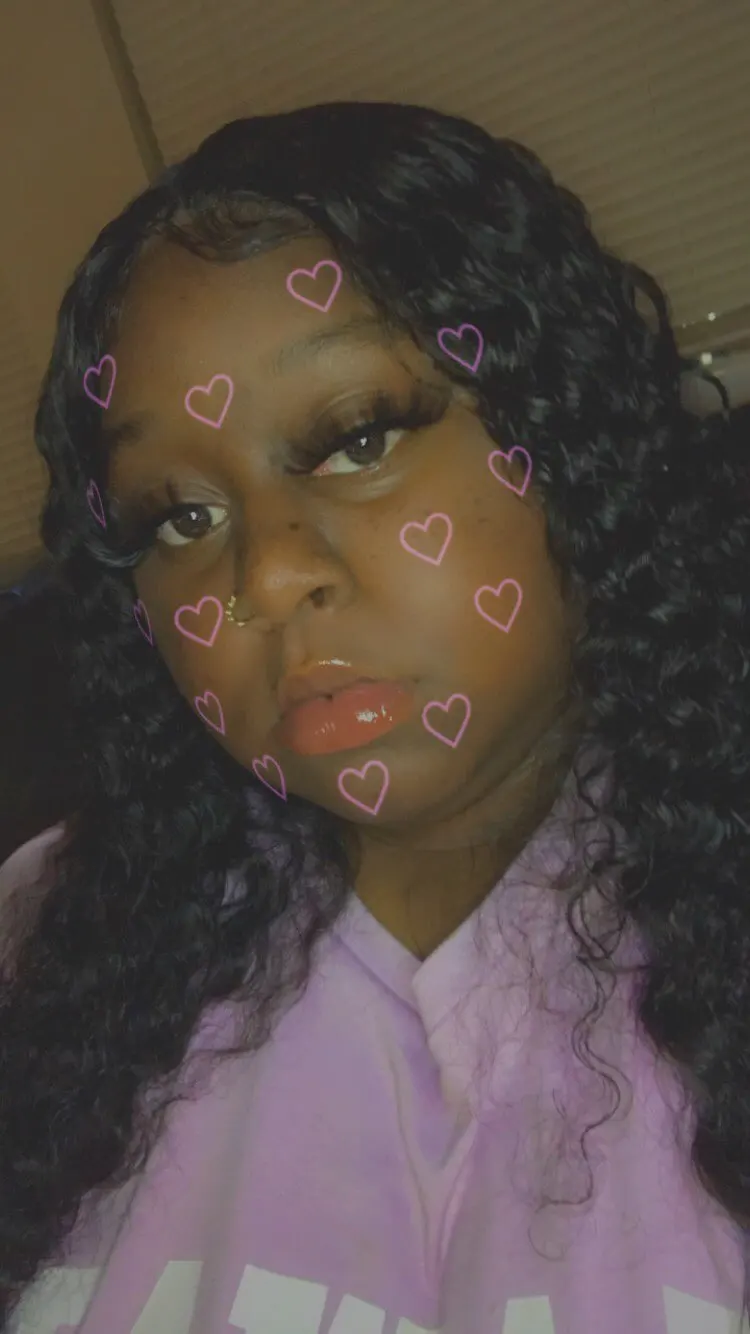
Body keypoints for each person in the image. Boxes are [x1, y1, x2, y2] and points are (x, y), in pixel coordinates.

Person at [0, 100, 748, 1334]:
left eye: (356, 438)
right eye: (178, 516)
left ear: (565, 432)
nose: (265, 574)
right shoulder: (47, 946)